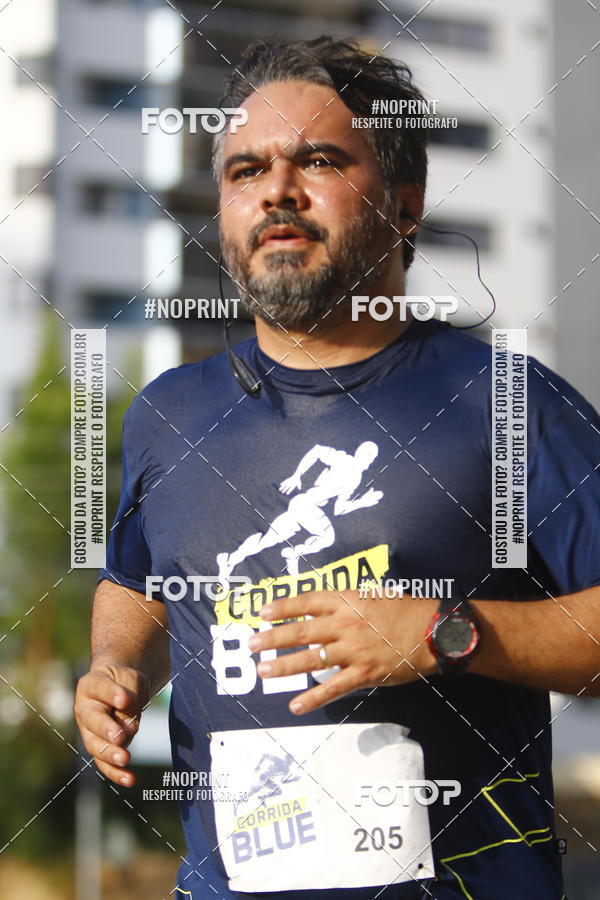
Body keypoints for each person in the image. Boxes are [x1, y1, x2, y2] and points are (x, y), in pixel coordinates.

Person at [74, 36, 600, 899]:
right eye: (245, 171)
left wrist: (445, 636)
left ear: (404, 204)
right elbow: (137, 586)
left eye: (316, 160)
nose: (276, 189)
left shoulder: (503, 402)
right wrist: (116, 666)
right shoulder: (170, 414)